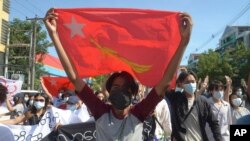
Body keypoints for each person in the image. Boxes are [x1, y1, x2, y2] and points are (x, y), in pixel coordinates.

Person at [44, 8, 192, 140]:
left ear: (132, 92)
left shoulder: (139, 112)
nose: (119, 91)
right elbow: (74, 77)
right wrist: (54, 35)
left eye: (124, 87)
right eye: (115, 86)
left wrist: (184, 42)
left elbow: (165, 81)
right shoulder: (100, 111)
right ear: (109, 91)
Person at [166, 71, 222, 141]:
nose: (191, 84)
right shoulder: (175, 98)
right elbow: (163, 87)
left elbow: (214, 123)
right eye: (187, 82)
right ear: (181, 84)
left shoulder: (203, 101)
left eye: (193, 81)